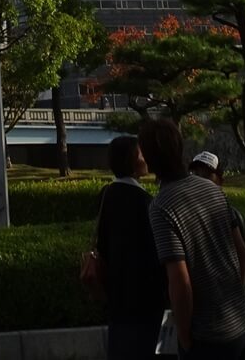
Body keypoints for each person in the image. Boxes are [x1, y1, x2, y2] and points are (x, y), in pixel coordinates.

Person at [138, 118, 245, 360]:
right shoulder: (212, 189)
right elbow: (242, 252)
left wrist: (184, 337)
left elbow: (180, 282)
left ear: (148, 157)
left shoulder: (161, 207)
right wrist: (236, 300)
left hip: (207, 337)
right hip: (241, 326)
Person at [93, 134, 168, 359]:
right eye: (141, 154)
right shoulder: (144, 201)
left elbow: (103, 242)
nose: (145, 159)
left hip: (116, 291)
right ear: (132, 161)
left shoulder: (106, 194)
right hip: (144, 297)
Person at [190, 151, 245, 244]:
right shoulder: (186, 214)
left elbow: (242, 253)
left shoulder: (230, 215)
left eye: (206, 175)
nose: (200, 181)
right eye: (196, 174)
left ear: (220, 180)